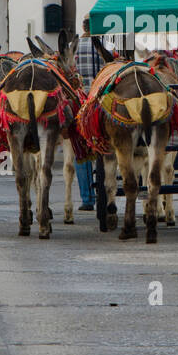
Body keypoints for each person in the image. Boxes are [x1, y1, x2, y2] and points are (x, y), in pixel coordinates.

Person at [74, 15, 103, 210]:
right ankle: (104, 191)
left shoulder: (73, 46)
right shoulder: (102, 47)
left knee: (81, 151)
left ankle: (87, 198)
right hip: (99, 102)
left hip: (79, 104)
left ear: (83, 27)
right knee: (102, 148)